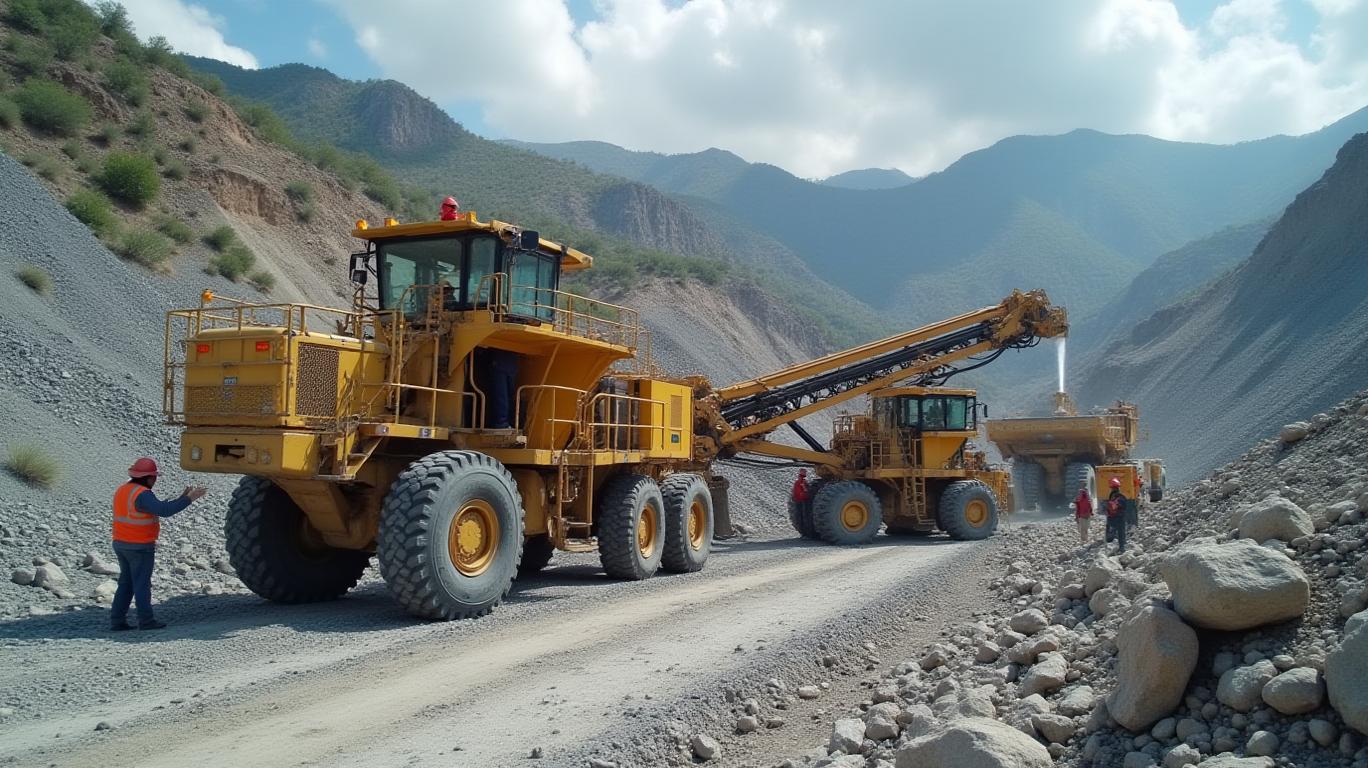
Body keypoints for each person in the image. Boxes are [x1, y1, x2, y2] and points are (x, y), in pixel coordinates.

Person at [111, 458, 206, 631]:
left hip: (121, 543)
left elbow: (157, 507)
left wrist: (181, 498)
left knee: (126, 583)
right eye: (154, 477)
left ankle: (117, 621)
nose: (155, 481)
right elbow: (165, 510)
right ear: (149, 478)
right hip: (139, 547)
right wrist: (189, 499)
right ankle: (146, 621)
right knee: (141, 584)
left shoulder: (123, 490)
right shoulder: (142, 494)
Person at [1104, 477, 1127, 554]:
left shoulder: (1112, 496)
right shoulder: (1121, 497)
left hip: (1112, 518)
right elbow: (1124, 506)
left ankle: (1113, 550)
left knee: (1111, 534)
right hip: (1120, 517)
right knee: (1121, 533)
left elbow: (1109, 507)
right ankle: (1121, 548)